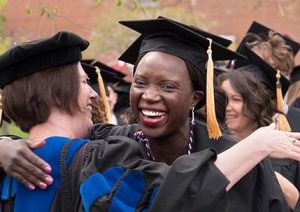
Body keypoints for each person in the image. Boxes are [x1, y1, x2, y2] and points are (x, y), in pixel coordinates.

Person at [1, 17, 300, 211]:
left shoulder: (241, 161)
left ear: (195, 98)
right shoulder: (107, 144)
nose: (149, 96)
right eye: (140, 82)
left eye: (168, 86)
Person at [217, 69, 299, 209]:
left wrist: (290, 194)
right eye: (223, 100)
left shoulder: (284, 152)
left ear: (254, 102)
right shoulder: (214, 150)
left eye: (236, 99)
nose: (227, 107)